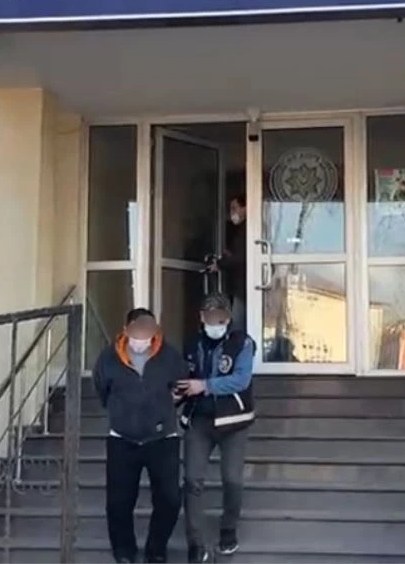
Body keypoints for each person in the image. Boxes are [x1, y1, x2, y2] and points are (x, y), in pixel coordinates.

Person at [92, 308, 187, 564]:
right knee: (118, 501)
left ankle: (156, 549)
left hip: (163, 438)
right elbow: (102, 389)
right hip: (122, 439)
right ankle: (124, 551)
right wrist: (121, 413)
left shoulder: (170, 356)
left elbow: (181, 387)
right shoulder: (108, 358)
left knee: (169, 499)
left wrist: (164, 408)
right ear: (126, 330)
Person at [177, 293, 256, 563]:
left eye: (220, 317)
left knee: (232, 480)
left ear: (228, 318)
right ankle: (195, 543)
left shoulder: (242, 343)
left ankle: (228, 530)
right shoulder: (191, 343)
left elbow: (241, 380)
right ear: (201, 317)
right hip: (199, 420)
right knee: (192, 481)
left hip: (233, 422)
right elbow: (185, 377)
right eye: (210, 316)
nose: (215, 322)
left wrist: (205, 385)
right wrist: (178, 393)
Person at [214, 194, 247, 331]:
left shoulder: (248, 230)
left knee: (238, 324)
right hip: (241, 286)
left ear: (245, 208)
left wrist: (220, 264)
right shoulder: (240, 230)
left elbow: (240, 256)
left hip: (244, 287)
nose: (232, 213)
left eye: (234, 208)